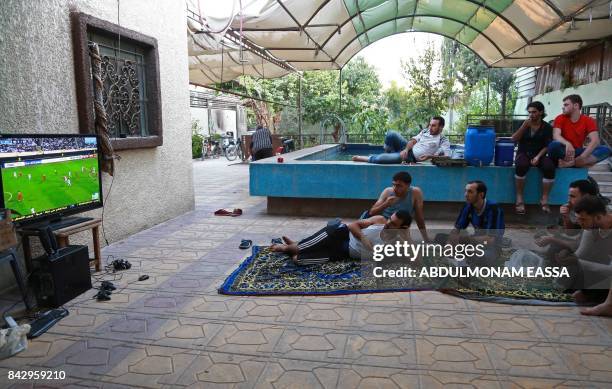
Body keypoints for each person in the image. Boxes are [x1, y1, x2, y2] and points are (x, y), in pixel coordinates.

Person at [271, 210, 412, 265]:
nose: (388, 223)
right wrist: (364, 239)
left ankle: (298, 244)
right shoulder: (380, 220)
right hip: (339, 235)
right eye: (390, 219)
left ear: (403, 227)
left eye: (393, 223)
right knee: (296, 249)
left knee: (298, 260)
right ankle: (285, 247)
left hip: (342, 252)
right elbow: (353, 225)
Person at [550, 195, 611, 316]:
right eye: (578, 219)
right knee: (566, 259)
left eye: (583, 220)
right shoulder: (592, 228)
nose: (580, 223)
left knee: (583, 290)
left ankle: (608, 305)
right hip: (604, 272)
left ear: (598, 217)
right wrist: (566, 260)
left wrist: (577, 262)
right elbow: (580, 255)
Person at [436, 181, 505, 265]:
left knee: (479, 257)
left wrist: (465, 240)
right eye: (465, 191)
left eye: (470, 192)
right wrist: (450, 244)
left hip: (490, 245)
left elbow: (490, 239)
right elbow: (456, 230)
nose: (466, 194)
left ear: (481, 195)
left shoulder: (494, 208)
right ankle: (461, 253)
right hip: (474, 241)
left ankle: (466, 254)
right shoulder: (468, 206)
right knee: (439, 237)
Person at [511, 101, 556, 214]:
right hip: (523, 153)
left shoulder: (547, 127)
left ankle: (544, 199)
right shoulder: (523, 123)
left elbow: (547, 145)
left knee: (549, 167)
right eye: (529, 112)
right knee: (521, 166)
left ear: (541, 112)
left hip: (539, 154)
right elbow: (514, 139)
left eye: (534, 112)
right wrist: (523, 127)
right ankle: (519, 198)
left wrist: (538, 157)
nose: (531, 114)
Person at [352, 116, 450, 164]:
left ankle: (365, 158)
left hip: (412, 158)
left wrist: (430, 156)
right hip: (407, 149)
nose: (430, 127)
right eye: (430, 124)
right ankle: (392, 155)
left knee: (380, 159)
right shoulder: (425, 131)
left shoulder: (443, 140)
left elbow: (447, 157)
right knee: (391, 134)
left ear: (441, 127)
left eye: (433, 126)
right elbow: (412, 141)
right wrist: (406, 150)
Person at [548, 94, 611, 168]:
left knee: (606, 149)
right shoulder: (560, 118)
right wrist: (567, 144)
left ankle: (573, 163)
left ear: (576, 105)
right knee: (554, 145)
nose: (563, 107)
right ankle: (578, 163)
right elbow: (556, 135)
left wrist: (582, 157)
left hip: (577, 152)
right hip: (563, 150)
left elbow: (595, 141)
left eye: (566, 105)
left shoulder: (588, 120)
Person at [365, 171, 429, 241]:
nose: (395, 188)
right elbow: (371, 212)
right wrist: (385, 204)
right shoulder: (388, 192)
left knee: (407, 246)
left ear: (408, 185)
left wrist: (426, 239)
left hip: (401, 226)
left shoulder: (415, 193)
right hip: (385, 224)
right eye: (394, 185)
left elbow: (419, 217)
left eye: (399, 186)